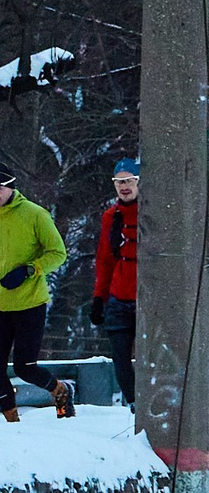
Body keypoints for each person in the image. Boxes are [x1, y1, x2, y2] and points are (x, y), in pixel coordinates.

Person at [0, 163, 73, 422]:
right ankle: (11, 423)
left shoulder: (35, 214)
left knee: (25, 367)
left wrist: (29, 270)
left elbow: (58, 254)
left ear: (11, 187)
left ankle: (59, 391)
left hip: (29, 303)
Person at [92, 157, 139, 406]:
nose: (124, 186)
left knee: (151, 359)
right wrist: (99, 297)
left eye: (129, 180)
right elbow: (104, 259)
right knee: (120, 359)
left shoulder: (151, 213)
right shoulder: (111, 216)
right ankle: (133, 405)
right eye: (119, 182)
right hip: (118, 298)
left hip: (148, 300)